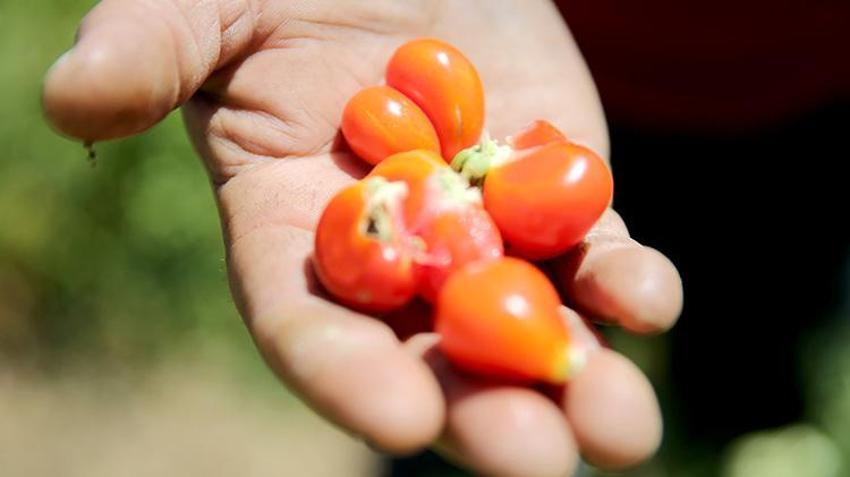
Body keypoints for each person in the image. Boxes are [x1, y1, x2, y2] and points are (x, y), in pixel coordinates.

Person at [43, 2, 685, 476]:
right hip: (597, 52)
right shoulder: (441, 197)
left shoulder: (442, 190)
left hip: (771, 86)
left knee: (711, 357)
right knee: (436, 435)